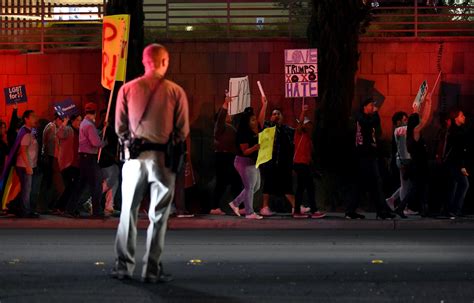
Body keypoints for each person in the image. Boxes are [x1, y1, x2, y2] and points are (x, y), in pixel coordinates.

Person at [112, 44, 189, 283]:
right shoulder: (175, 92)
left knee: (128, 212)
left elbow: (119, 128)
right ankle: (151, 269)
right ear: (164, 61)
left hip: (134, 160)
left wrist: (133, 139)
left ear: (144, 61)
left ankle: (124, 266)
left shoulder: (127, 89)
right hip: (163, 160)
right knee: (159, 215)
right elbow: (182, 130)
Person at [347, 98, 395, 220]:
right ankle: (381, 211)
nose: (373, 107)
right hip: (363, 156)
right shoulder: (360, 117)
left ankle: (352, 211)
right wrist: (376, 113)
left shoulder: (367, 118)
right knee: (375, 183)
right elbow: (370, 123)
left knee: (364, 184)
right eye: (370, 105)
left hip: (369, 155)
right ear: (364, 106)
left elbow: (376, 130)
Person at [258, 97, 303, 216]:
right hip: (269, 162)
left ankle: (295, 207)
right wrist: (264, 105)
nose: (276, 115)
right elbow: (260, 122)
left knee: (286, 185)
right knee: (268, 184)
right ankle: (265, 207)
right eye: (273, 114)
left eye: (278, 114)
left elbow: (298, 131)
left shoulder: (287, 129)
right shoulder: (267, 126)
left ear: (282, 117)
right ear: (270, 117)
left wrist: (303, 113)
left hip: (284, 163)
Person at [394, 94, 433, 218]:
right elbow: (426, 119)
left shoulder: (410, 134)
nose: (420, 120)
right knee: (418, 187)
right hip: (420, 164)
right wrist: (428, 103)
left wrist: (417, 110)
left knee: (421, 187)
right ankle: (404, 207)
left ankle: (422, 209)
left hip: (417, 163)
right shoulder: (416, 132)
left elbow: (422, 119)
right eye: (418, 119)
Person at [65, 102, 105, 218]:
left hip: (84, 158)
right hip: (90, 158)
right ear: (95, 113)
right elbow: (95, 142)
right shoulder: (89, 125)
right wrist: (104, 143)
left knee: (81, 185)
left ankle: (70, 208)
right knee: (96, 185)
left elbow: (93, 136)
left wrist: (102, 128)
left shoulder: (84, 123)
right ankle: (97, 211)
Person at [228, 107, 263, 220]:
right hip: (243, 162)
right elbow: (245, 151)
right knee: (249, 187)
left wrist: (264, 104)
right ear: (247, 122)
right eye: (252, 120)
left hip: (253, 161)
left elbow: (261, 119)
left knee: (256, 186)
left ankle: (235, 203)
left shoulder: (257, 128)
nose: (255, 121)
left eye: (255, 119)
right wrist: (255, 147)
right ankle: (249, 212)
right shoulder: (243, 133)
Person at [292, 105, 326, 219]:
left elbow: (309, 155)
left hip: (304, 164)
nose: (309, 125)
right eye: (308, 123)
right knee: (310, 187)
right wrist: (303, 111)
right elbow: (300, 123)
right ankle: (314, 210)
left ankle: (297, 211)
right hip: (299, 163)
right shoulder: (299, 133)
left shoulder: (307, 137)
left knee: (301, 188)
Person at [210, 96, 242, 215]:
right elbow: (221, 118)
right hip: (223, 157)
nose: (229, 115)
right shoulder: (220, 127)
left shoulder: (230, 127)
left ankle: (239, 205)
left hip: (231, 157)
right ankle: (214, 207)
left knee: (236, 182)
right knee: (222, 182)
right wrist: (225, 104)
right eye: (228, 113)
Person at [15, 110, 40, 218]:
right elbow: (23, 150)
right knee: (27, 190)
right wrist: (28, 166)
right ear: (26, 119)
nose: (35, 118)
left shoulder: (31, 131)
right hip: (24, 165)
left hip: (29, 165)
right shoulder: (25, 132)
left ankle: (18, 208)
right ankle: (26, 211)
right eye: (33, 116)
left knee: (26, 189)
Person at [445, 110, 469, 218]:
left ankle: (452, 210)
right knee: (463, 184)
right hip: (454, 164)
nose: (464, 117)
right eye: (461, 116)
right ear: (456, 118)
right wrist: (462, 166)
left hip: (453, 163)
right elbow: (458, 151)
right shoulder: (456, 132)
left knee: (453, 186)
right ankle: (455, 209)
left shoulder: (456, 130)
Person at [37, 113, 63, 213]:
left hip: (50, 158)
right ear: (57, 119)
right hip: (50, 159)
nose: (62, 123)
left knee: (49, 183)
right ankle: (43, 206)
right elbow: (53, 145)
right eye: (61, 120)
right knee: (48, 183)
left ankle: (45, 206)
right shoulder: (52, 127)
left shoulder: (52, 126)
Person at [55, 114, 81, 212]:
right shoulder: (69, 130)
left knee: (73, 186)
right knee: (71, 185)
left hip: (77, 163)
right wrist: (64, 123)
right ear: (73, 121)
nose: (79, 122)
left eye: (80, 120)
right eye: (78, 120)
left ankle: (63, 206)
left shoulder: (79, 131)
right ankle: (61, 206)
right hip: (68, 163)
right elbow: (59, 134)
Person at [98, 109, 120, 217]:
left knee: (113, 182)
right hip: (107, 161)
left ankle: (109, 205)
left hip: (108, 160)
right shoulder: (107, 130)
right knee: (110, 181)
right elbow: (103, 144)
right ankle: (93, 198)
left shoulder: (108, 129)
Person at [385, 111, 409, 210]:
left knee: (406, 185)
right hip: (401, 161)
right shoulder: (400, 131)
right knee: (405, 185)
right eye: (404, 120)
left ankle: (392, 200)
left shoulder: (398, 131)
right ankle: (403, 207)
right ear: (398, 122)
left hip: (400, 160)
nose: (406, 122)